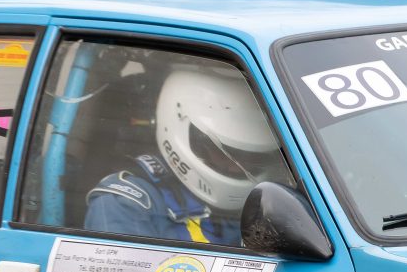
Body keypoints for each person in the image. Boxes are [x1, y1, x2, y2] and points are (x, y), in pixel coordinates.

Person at [84, 67, 291, 245]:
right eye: (224, 152)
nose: (237, 166)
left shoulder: (270, 202)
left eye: (252, 157)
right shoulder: (124, 204)